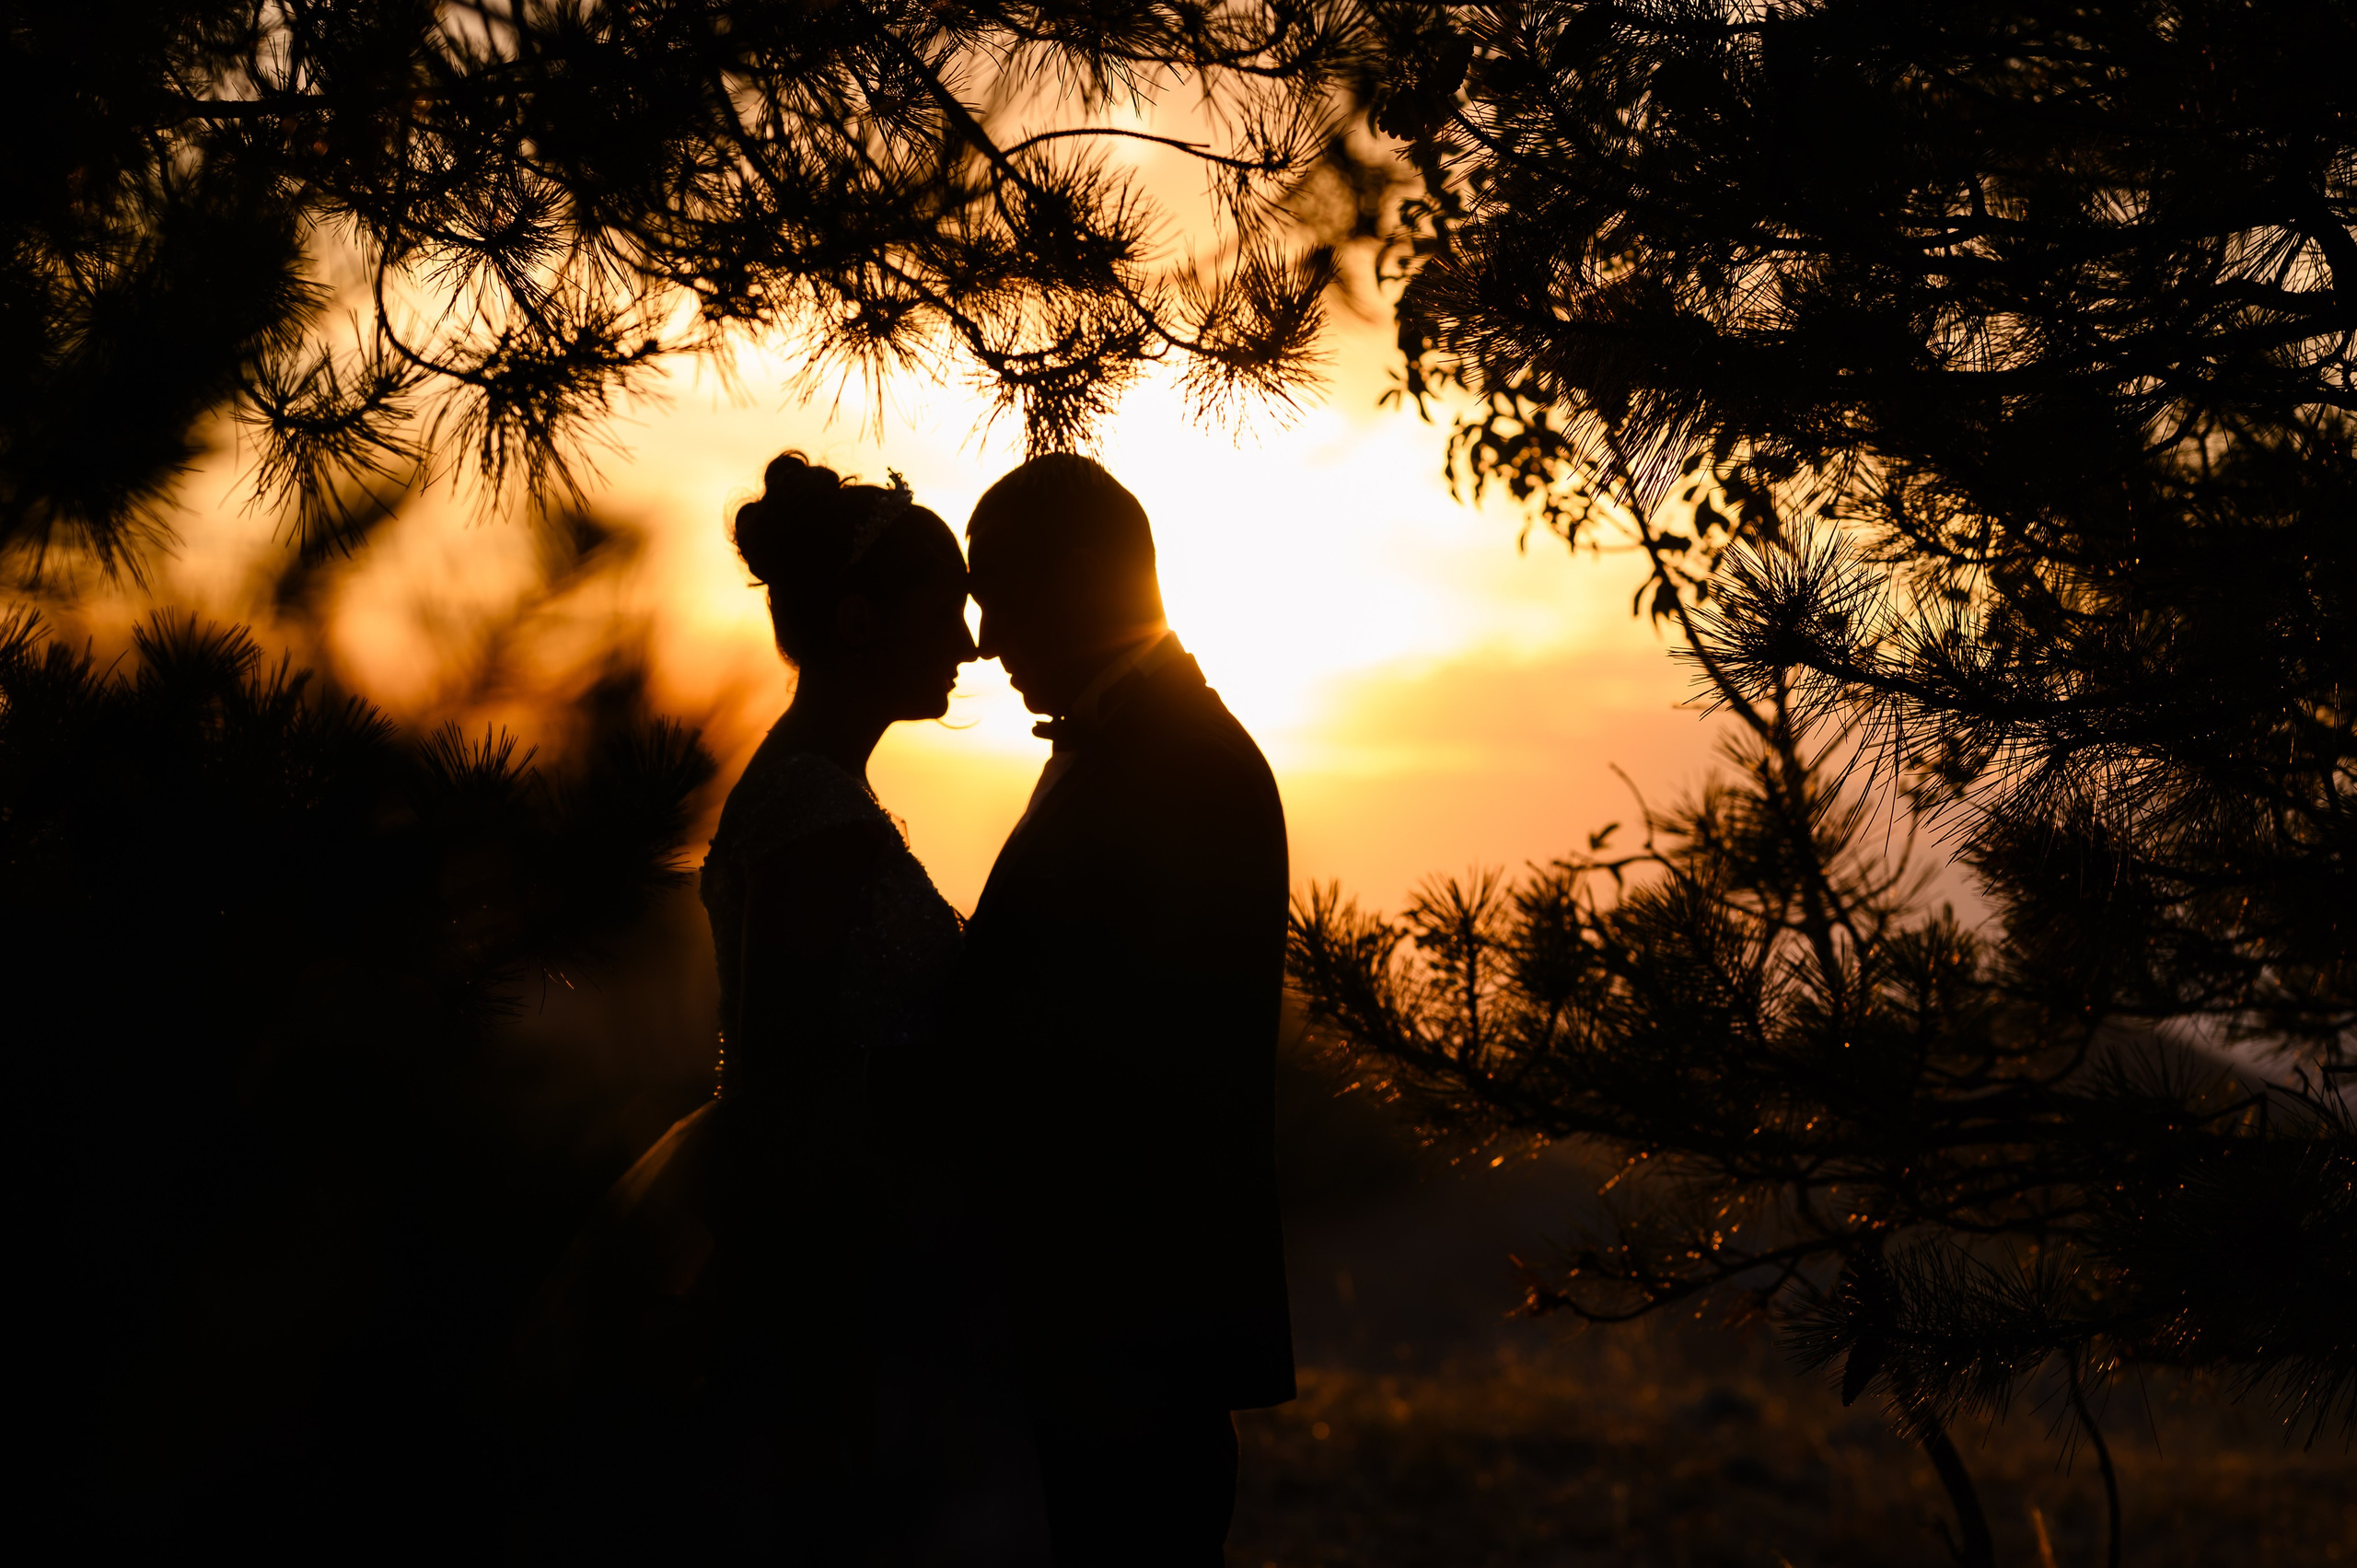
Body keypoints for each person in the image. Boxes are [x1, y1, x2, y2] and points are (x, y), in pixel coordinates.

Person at [519, 451, 1050, 1563]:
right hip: (842, 1250)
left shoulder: (809, 785)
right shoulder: (814, 810)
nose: (967, 643)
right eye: (942, 611)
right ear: (861, 619)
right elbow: (785, 1067)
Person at [958, 455, 1295, 1566]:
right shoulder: (1128, 746)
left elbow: (1142, 1068)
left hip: (1125, 1345)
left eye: (997, 588)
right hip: (1092, 1339)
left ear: (1082, 576)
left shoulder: (1185, 765)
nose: (983, 634)